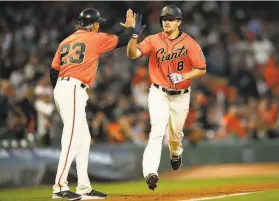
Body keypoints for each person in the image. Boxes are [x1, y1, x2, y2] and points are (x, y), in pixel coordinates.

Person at [50, 8, 143, 200]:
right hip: (73, 88)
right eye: (98, 22)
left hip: (64, 87)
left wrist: (61, 90)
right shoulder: (95, 37)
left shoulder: (65, 41)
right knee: (72, 137)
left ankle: (83, 187)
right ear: (93, 24)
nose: (99, 25)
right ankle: (59, 187)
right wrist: (131, 28)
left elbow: (53, 72)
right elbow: (124, 39)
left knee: (83, 138)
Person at [126, 5, 206, 190]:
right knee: (156, 132)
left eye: (170, 19)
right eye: (164, 19)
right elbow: (132, 54)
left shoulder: (190, 43)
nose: (166, 22)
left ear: (179, 22)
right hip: (158, 92)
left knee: (175, 135)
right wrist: (134, 36)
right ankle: (150, 173)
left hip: (181, 96)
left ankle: (176, 152)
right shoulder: (153, 40)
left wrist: (184, 76)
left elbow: (201, 69)